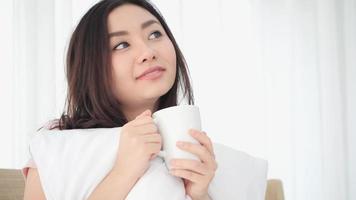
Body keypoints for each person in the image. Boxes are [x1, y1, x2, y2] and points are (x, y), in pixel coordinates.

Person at [22, 0, 217, 199]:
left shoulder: (209, 158)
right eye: (121, 45)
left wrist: (200, 194)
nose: (148, 53)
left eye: (155, 34)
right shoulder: (56, 149)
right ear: (91, 67)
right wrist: (123, 173)